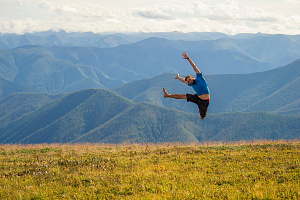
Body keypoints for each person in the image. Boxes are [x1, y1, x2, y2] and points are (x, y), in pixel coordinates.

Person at [163, 52, 210, 120]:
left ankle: (200, 110)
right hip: (197, 97)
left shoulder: (199, 77)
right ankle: (167, 95)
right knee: (184, 96)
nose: (190, 81)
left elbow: (194, 66)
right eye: (188, 81)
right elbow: (183, 80)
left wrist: (188, 58)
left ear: (192, 77)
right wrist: (178, 77)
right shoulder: (190, 84)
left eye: (190, 79)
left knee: (202, 117)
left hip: (205, 101)